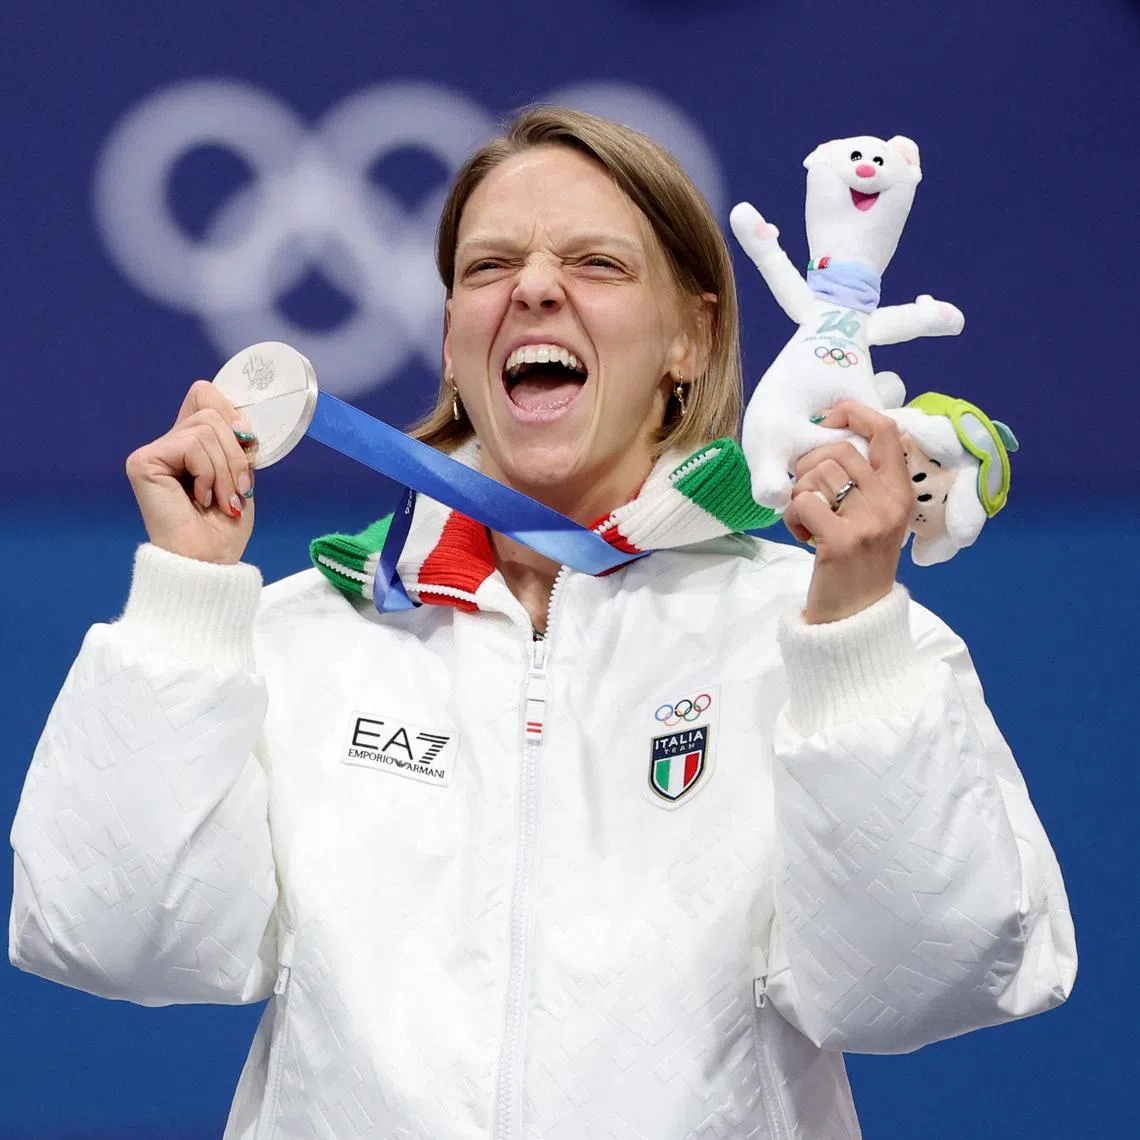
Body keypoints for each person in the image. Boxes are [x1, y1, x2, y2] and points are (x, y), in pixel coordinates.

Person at [9, 107, 1076, 1139]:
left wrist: (848, 640)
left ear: (691, 341)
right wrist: (188, 598)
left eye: (598, 265)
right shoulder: (306, 638)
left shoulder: (822, 639)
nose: (531, 290)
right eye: (487, 268)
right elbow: (111, 938)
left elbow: (923, 985)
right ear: (450, 343)